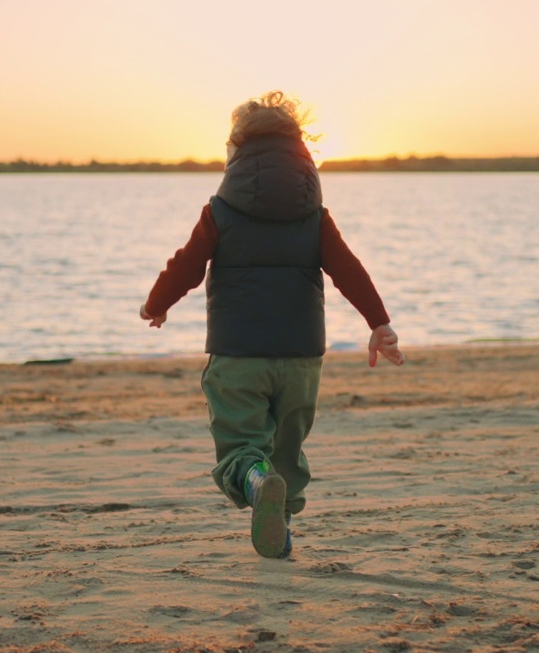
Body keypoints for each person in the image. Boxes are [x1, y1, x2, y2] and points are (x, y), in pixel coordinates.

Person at [140, 91, 404, 559]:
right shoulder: (313, 215)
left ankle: (257, 484)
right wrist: (379, 323)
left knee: (242, 447)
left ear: (236, 150)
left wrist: (157, 304)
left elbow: (187, 265)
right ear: (300, 149)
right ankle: (278, 530)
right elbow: (349, 270)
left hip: (238, 355)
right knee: (286, 447)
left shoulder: (220, 211)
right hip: (301, 359)